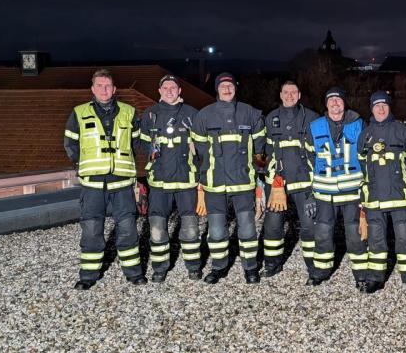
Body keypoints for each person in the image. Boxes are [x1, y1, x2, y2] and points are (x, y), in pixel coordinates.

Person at [64, 68, 146, 289]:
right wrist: (82, 166)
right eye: (99, 86)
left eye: (108, 86)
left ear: (114, 89)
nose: (104, 89)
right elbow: (70, 144)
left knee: (127, 227)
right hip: (93, 184)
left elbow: (137, 143)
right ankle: (88, 276)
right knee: (91, 228)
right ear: (92, 89)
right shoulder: (79, 113)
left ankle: (134, 273)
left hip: (122, 182)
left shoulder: (129, 112)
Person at [191, 72, 266, 285]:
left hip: (243, 183)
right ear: (217, 89)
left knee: (248, 228)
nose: (227, 89)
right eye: (222, 86)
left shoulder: (250, 113)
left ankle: (250, 268)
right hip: (214, 184)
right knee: (216, 230)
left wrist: (260, 180)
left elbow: (260, 150)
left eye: (230, 86)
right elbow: (198, 154)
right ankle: (218, 267)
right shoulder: (204, 115)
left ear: (235, 88)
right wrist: (201, 181)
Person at [137, 75, 202, 283]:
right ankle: (160, 268)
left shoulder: (192, 114)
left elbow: (202, 147)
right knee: (157, 227)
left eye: (173, 87)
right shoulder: (150, 114)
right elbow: (142, 144)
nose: (169, 91)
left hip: (186, 180)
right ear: (159, 91)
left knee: (190, 226)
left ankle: (193, 266)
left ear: (179, 90)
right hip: (159, 181)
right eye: (165, 88)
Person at [357, 91, 406, 295]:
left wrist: (403, 183)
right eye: (377, 106)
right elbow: (361, 165)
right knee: (375, 240)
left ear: (390, 107)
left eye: (384, 105)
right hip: (374, 199)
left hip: (400, 197)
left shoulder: (403, 131)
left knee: (405, 240)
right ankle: (375, 278)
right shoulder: (365, 135)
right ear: (371, 108)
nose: (381, 109)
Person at [306, 87, 369, 288]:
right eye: (331, 100)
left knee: (355, 233)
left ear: (344, 102)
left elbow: (367, 156)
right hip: (324, 192)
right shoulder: (315, 126)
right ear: (326, 104)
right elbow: (309, 159)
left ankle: (361, 275)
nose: (335, 103)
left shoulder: (359, 123)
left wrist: (367, 188)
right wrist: (310, 193)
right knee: (323, 232)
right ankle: (320, 272)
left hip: (352, 191)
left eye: (338, 99)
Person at [261, 81, 320, 278]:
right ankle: (272, 264)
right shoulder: (271, 118)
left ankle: (313, 267)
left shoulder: (312, 118)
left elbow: (319, 153)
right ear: (280, 95)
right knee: (272, 224)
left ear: (299, 95)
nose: (289, 96)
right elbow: (265, 151)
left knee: (310, 225)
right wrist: (267, 178)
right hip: (278, 182)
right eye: (286, 92)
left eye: (293, 92)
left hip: (304, 182)